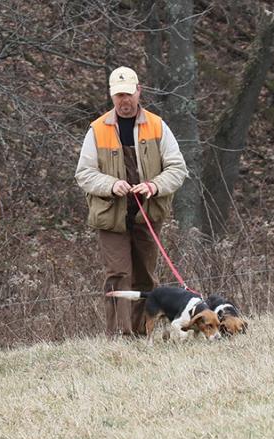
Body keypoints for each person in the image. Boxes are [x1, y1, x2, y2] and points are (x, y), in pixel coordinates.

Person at [75, 67, 188, 337]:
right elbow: (84, 174)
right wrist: (111, 185)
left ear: (139, 92)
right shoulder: (97, 129)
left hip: (148, 213)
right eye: (118, 96)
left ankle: (141, 332)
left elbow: (178, 168)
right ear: (111, 96)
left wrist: (154, 185)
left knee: (146, 276)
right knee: (117, 273)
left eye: (128, 94)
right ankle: (118, 335)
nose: (124, 101)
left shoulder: (158, 125)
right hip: (111, 215)